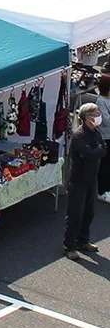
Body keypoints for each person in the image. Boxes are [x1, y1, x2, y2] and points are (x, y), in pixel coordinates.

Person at [65, 102, 103, 260]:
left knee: (89, 212)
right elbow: (89, 154)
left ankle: (83, 240)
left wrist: (97, 150)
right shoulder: (79, 135)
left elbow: (103, 148)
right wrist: (97, 150)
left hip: (91, 178)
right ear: (88, 118)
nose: (99, 115)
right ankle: (69, 246)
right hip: (79, 180)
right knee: (75, 214)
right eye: (96, 113)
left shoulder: (96, 131)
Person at [95, 75, 110, 203]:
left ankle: (107, 188)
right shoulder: (101, 101)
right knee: (105, 164)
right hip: (105, 137)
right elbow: (106, 120)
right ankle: (102, 191)